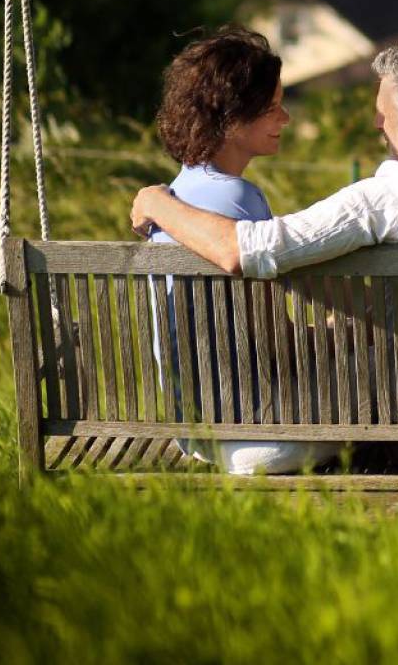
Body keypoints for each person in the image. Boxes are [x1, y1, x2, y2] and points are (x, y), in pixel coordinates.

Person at [131, 36, 398, 472]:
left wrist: (156, 202)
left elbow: (247, 250)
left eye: (384, 113)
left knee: (378, 363)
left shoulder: (390, 198)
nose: (376, 122)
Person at [144, 27, 320, 475]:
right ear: (232, 116)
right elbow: (276, 345)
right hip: (255, 429)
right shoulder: (239, 200)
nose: (285, 119)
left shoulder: (173, 197)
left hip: (195, 428)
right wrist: (340, 335)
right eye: (272, 107)